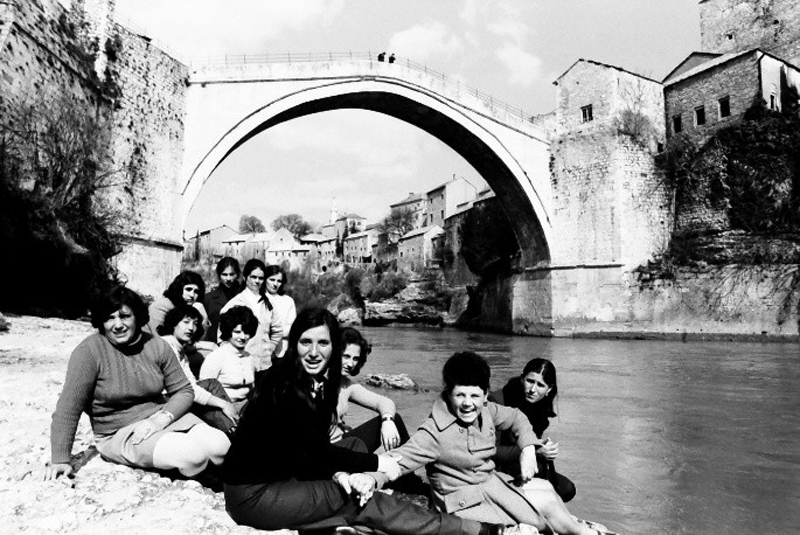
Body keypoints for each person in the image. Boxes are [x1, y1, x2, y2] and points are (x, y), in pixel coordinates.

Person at [222, 308, 507, 535]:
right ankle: (470, 530)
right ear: (293, 344)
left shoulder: (316, 381)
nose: (313, 352)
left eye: (323, 342)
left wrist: (343, 473)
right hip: (254, 495)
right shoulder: (283, 386)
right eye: (305, 342)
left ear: (334, 345)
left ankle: (336, 521)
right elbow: (312, 455)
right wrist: (377, 464)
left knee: (356, 444)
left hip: (285, 476)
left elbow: (306, 451)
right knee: (361, 500)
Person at [368, 352, 616, 535]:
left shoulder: (487, 410)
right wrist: (368, 479)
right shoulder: (434, 431)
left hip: (490, 486)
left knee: (546, 488)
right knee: (548, 504)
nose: (468, 403)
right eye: (460, 395)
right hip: (466, 503)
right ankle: (584, 533)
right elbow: (397, 461)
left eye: (474, 395)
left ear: (485, 395)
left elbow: (516, 418)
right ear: (448, 394)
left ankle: (576, 530)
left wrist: (528, 449)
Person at [44, 286, 230, 481]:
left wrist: (162, 419)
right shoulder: (89, 351)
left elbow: (184, 390)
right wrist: (60, 459)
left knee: (220, 446)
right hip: (119, 432)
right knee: (193, 455)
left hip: (160, 418)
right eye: (109, 318)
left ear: (137, 317)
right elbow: (68, 407)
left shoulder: (156, 345)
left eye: (124, 316)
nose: (117, 325)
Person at [489, 358, 575, 503]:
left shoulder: (540, 407)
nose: (533, 390)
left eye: (540, 385)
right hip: (496, 469)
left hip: (521, 466)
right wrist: (533, 449)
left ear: (549, 389)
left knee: (567, 489)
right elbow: (491, 450)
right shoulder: (498, 401)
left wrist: (545, 449)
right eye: (530, 381)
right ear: (522, 379)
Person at [158, 305, 239, 436]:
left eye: (195, 324)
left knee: (211, 384)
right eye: (186, 322)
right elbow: (189, 389)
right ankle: (234, 429)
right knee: (211, 395)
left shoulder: (178, 349)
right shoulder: (167, 347)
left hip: (178, 395)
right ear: (173, 323)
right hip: (165, 401)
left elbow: (191, 384)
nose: (191, 328)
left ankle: (233, 427)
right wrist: (223, 404)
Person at [332, 327, 409, 452]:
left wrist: (387, 420)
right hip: (327, 453)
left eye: (355, 358)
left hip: (343, 442)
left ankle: (409, 468)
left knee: (395, 419)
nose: (351, 364)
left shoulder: (346, 385)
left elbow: (383, 401)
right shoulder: (316, 381)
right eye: (346, 356)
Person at [219, 259, 282, 371]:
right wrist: (233, 356)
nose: (257, 281)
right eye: (253, 277)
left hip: (264, 366)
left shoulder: (269, 304)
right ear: (245, 277)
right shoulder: (235, 303)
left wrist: (269, 350)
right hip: (241, 367)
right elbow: (221, 336)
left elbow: (277, 330)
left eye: (261, 278)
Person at [199, 305, 259, 414]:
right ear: (228, 331)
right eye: (237, 332)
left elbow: (251, 389)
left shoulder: (249, 357)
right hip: (222, 410)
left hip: (246, 408)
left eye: (246, 332)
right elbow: (203, 391)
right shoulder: (216, 357)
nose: (242, 337)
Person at [147, 270, 210, 334]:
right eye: (188, 289)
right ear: (179, 288)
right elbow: (157, 338)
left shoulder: (191, 308)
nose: (192, 295)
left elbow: (198, 340)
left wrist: (204, 318)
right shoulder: (162, 307)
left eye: (196, 291)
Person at [203, 257, 241, 343]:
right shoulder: (208, 299)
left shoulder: (245, 297)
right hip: (215, 347)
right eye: (224, 274)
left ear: (237, 275)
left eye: (232, 274)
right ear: (219, 275)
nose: (228, 279)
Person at [263, 264, 296, 359]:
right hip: (261, 350)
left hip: (282, 350)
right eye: (272, 279)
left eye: (279, 281)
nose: (275, 284)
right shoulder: (259, 298)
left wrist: (276, 333)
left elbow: (292, 326)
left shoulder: (288, 301)